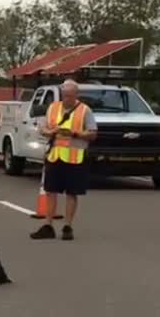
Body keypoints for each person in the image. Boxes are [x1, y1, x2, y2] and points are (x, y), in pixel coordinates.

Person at [30, 79, 97, 241]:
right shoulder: (53, 107)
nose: (66, 98)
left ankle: (68, 226)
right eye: (64, 95)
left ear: (76, 95)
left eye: (69, 96)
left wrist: (74, 133)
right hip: (55, 156)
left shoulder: (85, 110)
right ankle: (48, 225)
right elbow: (43, 128)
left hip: (75, 157)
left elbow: (93, 133)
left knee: (72, 193)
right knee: (50, 191)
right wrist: (50, 131)